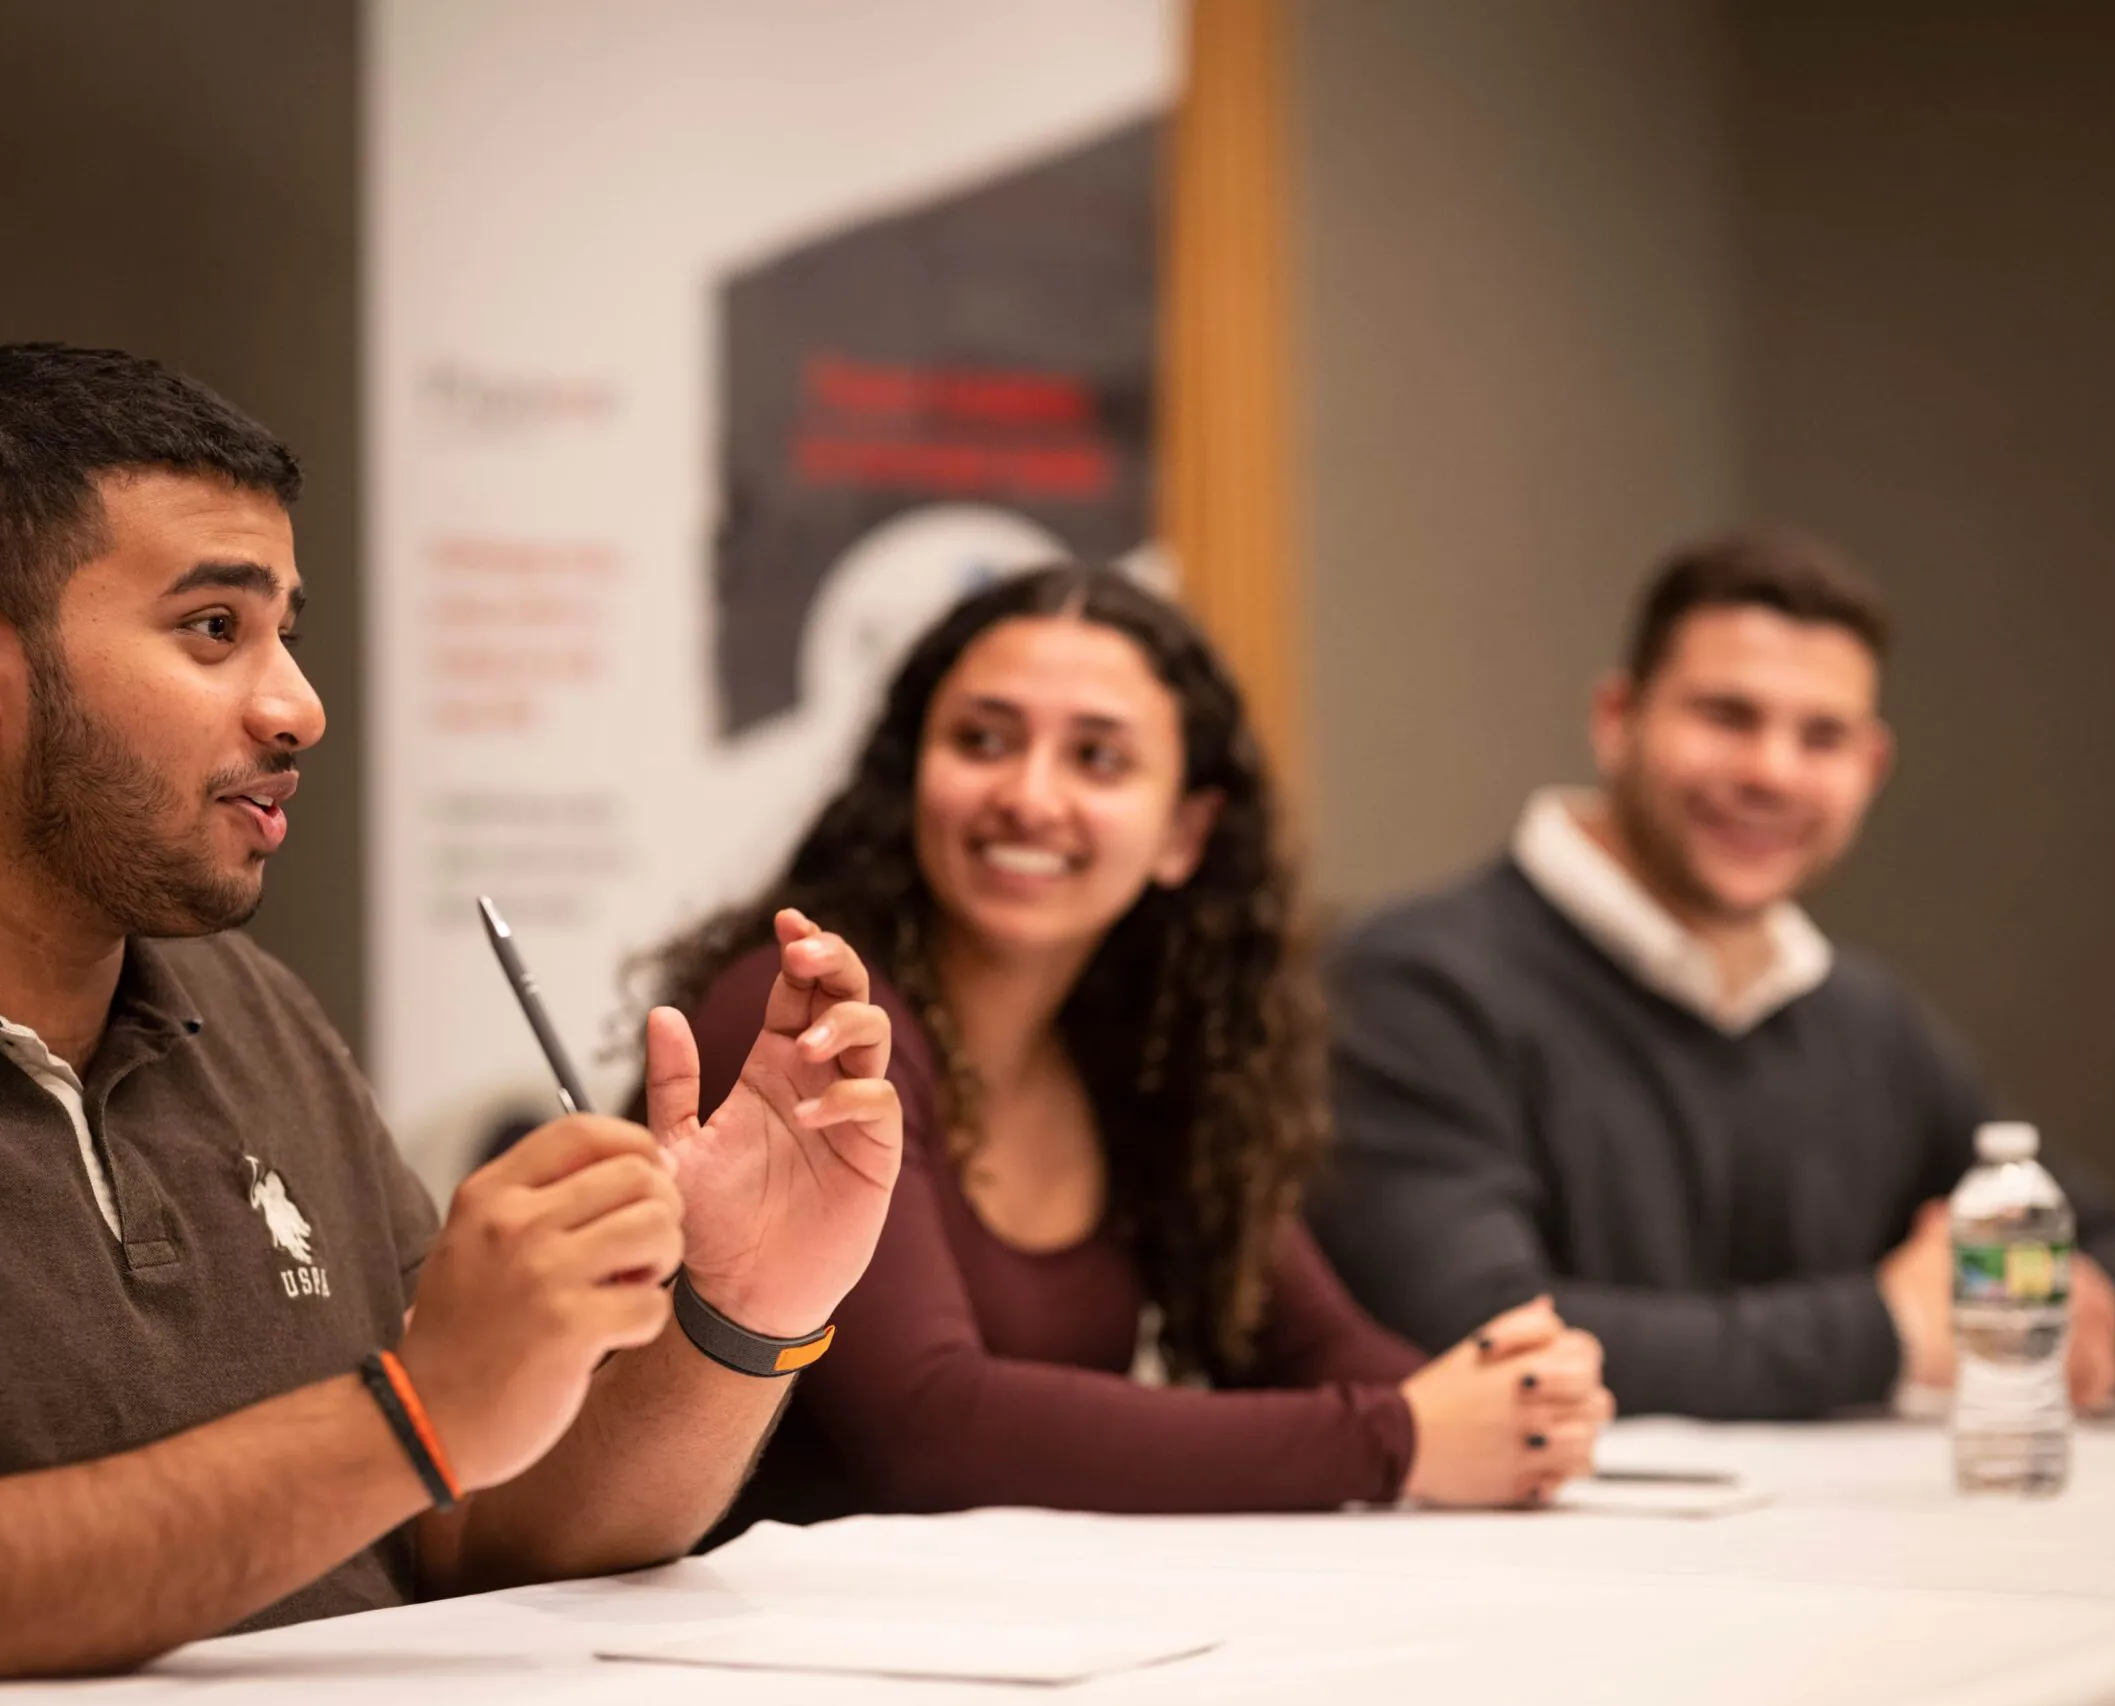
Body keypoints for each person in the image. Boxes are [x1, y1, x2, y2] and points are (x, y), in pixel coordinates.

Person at [0, 344, 902, 1704]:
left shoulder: (249, 1007)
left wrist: (746, 1308)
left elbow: (470, 1527)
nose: (298, 706)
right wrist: (410, 1416)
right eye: (214, 628)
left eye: (287, 633)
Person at [641, 564, 1613, 1535]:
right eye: (982, 740)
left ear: (1183, 832)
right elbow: (928, 1427)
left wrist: (1513, 1401)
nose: (1028, 795)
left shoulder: (1137, 1047)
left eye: (1097, 758)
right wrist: (1398, 1435)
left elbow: (1321, 1348)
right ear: (910, 779)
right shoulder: (808, 1015)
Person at [1314, 530, 2115, 1421]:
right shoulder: (1412, 986)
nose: (1772, 771)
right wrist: (1890, 1332)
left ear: (1870, 769)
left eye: (1822, 737)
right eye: (1727, 717)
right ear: (1616, 720)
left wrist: (2085, 1318)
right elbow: (1483, 1343)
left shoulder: (1866, 1023)